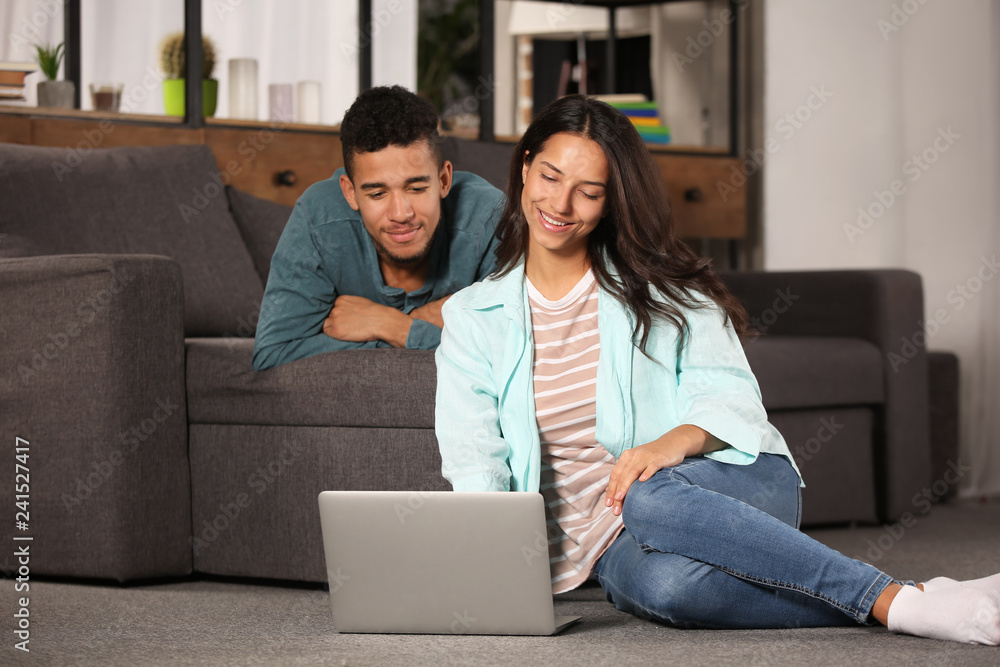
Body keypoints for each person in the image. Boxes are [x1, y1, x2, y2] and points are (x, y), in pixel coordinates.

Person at [434, 94, 1000, 644]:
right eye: (551, 178)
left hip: (734, 481)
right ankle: (914, 597)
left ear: (610, 202)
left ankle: (893, 603)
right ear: (526, 168)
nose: (560, 205)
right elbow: (474, 452)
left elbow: (732, 400)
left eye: (588, 192)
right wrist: (497, 569)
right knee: (668, 590)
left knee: (647, 495)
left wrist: (669, 445)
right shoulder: (472, 317)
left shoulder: (664, 293)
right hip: (605, 546)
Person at [253, 85, 503, 370]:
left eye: (417, 188)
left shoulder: (488, 216)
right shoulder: (319, 217)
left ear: (444, 180)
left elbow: (517, 352)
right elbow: (272, 356)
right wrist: (428, 325)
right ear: (350, 193)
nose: (400, 214)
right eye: (377, 194)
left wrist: (392, 325)